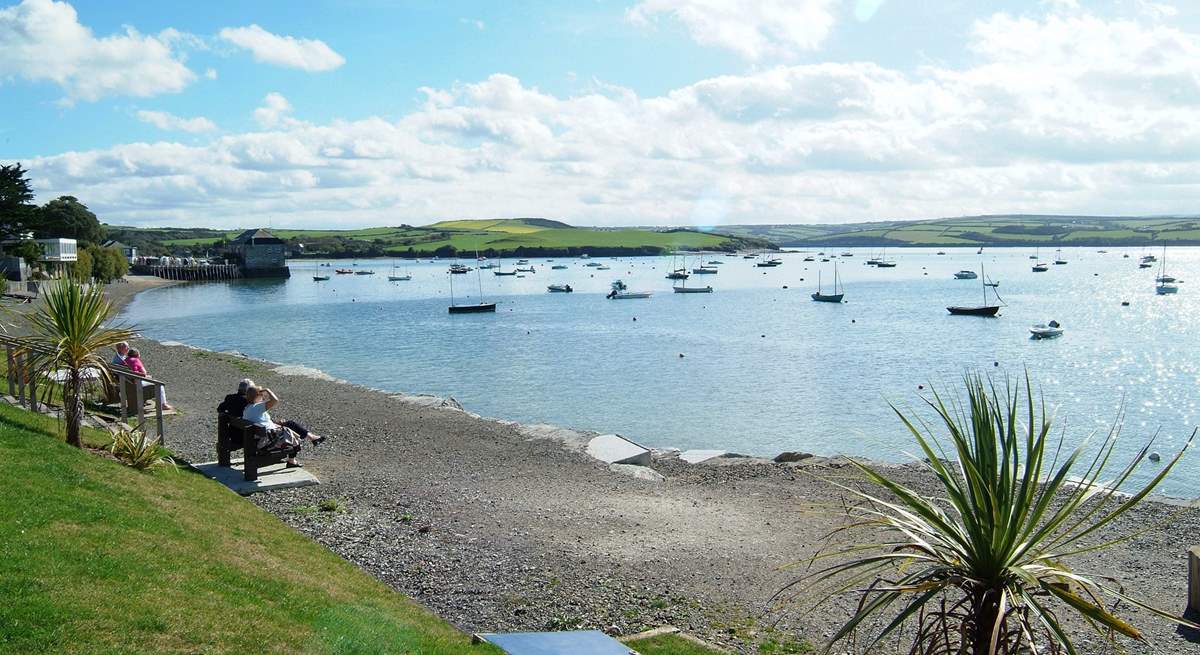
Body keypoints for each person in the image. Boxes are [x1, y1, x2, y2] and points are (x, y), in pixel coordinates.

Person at [242, 384, 324, 468]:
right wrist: (268, 390)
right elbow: (275, 400)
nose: (263, 397)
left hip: (260, 437)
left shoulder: (247, 408)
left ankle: (312, 439)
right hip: (268, 439)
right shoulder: (257, 406)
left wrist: (276, 423)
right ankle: (292, 461)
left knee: (289, 426)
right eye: (262, 395)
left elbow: (261, 421)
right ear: (257, 396)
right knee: (291, 433)